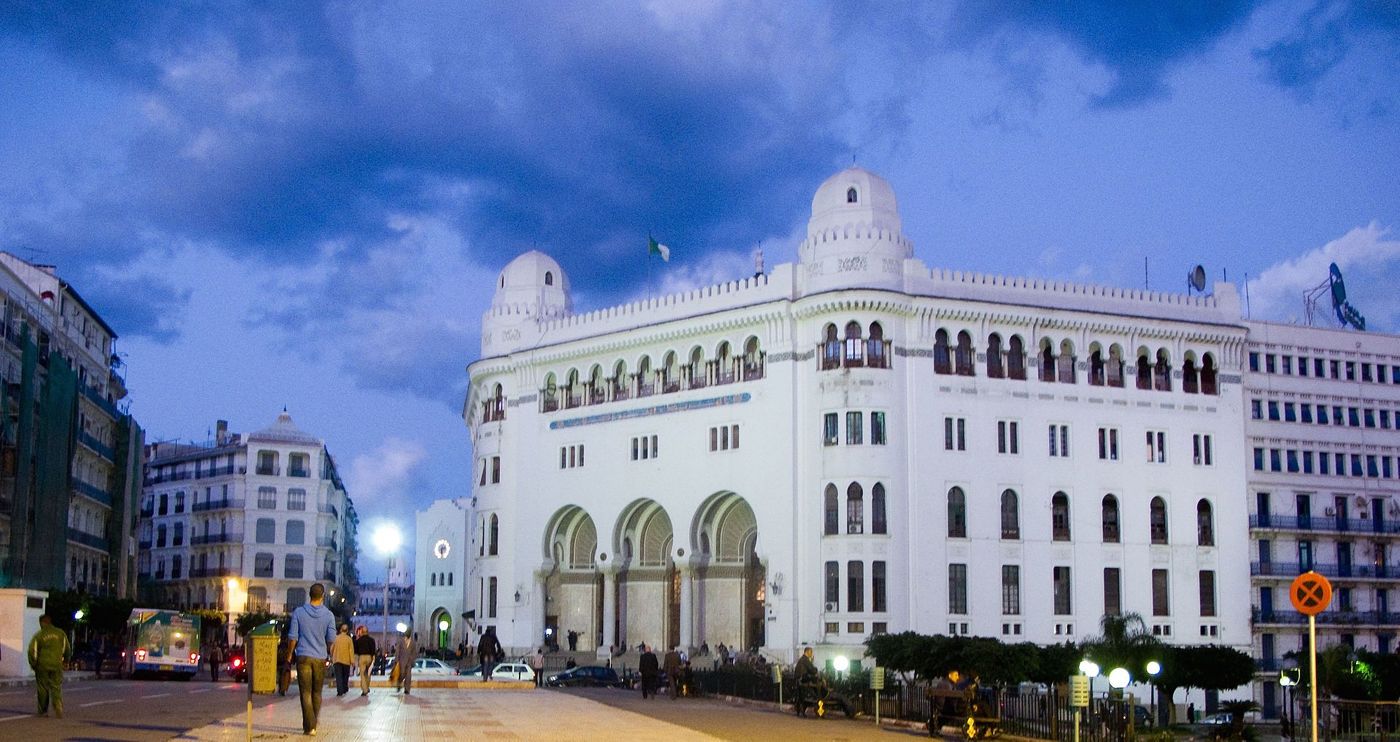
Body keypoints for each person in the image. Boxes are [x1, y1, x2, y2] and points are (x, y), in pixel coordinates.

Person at [287, 582, 337, 736]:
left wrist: (289, 654)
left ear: (310, 595)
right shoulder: (329, 615)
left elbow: (293, 637)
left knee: (305, 692)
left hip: (303, 656)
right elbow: (331, 639)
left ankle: (309, 726)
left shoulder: (298, 613)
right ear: (322, 596)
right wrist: (329, 652)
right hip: (320, 657)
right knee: (316, 692)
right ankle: (312, 724)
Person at [28, 614, 70, 718]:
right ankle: (58, 704)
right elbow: (67, 649)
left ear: (42, 623)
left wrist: (33, 664)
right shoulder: (61, 633)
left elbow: (32, 651)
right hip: (57, 665)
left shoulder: (39, 635)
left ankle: (43, 711)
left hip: (42, 665)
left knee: (43, 688)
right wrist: (66, 661)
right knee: (56, 686)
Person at [793, 646, 819, 718]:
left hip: (799, 681)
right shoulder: (805, 660)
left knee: (801, 697)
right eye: (811, 652)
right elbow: (812, 670)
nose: (812, 654)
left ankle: (800, 711)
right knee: (812, 695)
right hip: (803, 682)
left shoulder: (802, 659)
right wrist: (815, 670)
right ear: (807, 652)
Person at [331, 624, 354, 697]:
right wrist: (352, 661)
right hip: (346, 661)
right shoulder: (349, 639)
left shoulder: (335, 638)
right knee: (345, 676)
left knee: (338, 676)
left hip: (337, 660)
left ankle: (340, 691)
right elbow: (351, 651)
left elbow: (331, 649)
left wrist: (332, 656)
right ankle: (344, 688)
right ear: (347, 631)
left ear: (340, 630)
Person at [353, 625, 377, 696]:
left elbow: (356, 651)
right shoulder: (371, 640)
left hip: (362, 657)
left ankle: (365, 690)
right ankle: (367, 686)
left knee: (363, 674)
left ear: (362, 632)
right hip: (369, 657)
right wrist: (373, 658)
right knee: (368, 673)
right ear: (367, 632)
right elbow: (373, 650)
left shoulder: (358, 640)